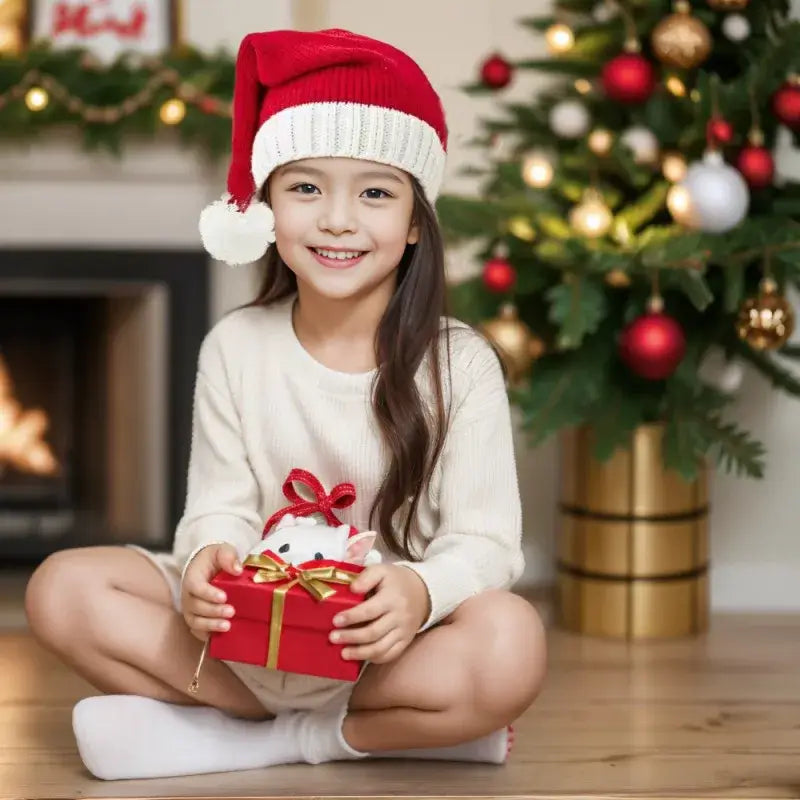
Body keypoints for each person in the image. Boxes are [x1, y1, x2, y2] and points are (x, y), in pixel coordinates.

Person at [24, 28, 547, 781]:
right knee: (62, 589)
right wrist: (209, 560)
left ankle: (253, 740)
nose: (337, 219)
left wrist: (418, 589)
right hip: (247, 634)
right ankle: (374, 732)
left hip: (380, 643)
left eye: (374, 192)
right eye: (306, 187)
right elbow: (217, 508)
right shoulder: (235, 346)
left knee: (511, 641)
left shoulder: (459, 363)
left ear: (412, 225)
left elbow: (488, 542)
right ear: (266, 206)